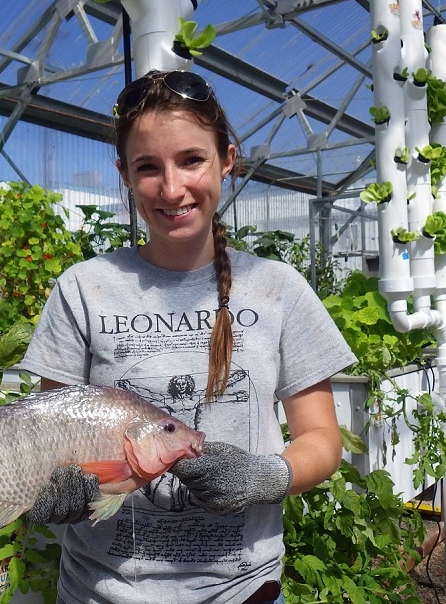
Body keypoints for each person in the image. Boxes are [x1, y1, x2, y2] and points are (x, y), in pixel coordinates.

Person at [20, 69, 357, 604]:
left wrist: (265, 476)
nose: (171, 188)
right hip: (99, 592)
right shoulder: (83, 289)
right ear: (124, 176)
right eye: (148, 167)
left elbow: (323, 440)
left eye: (191, 160)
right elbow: (48, 431)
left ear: (227, 159)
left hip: (242, 592)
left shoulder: (277, 289)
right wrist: (53, 486)